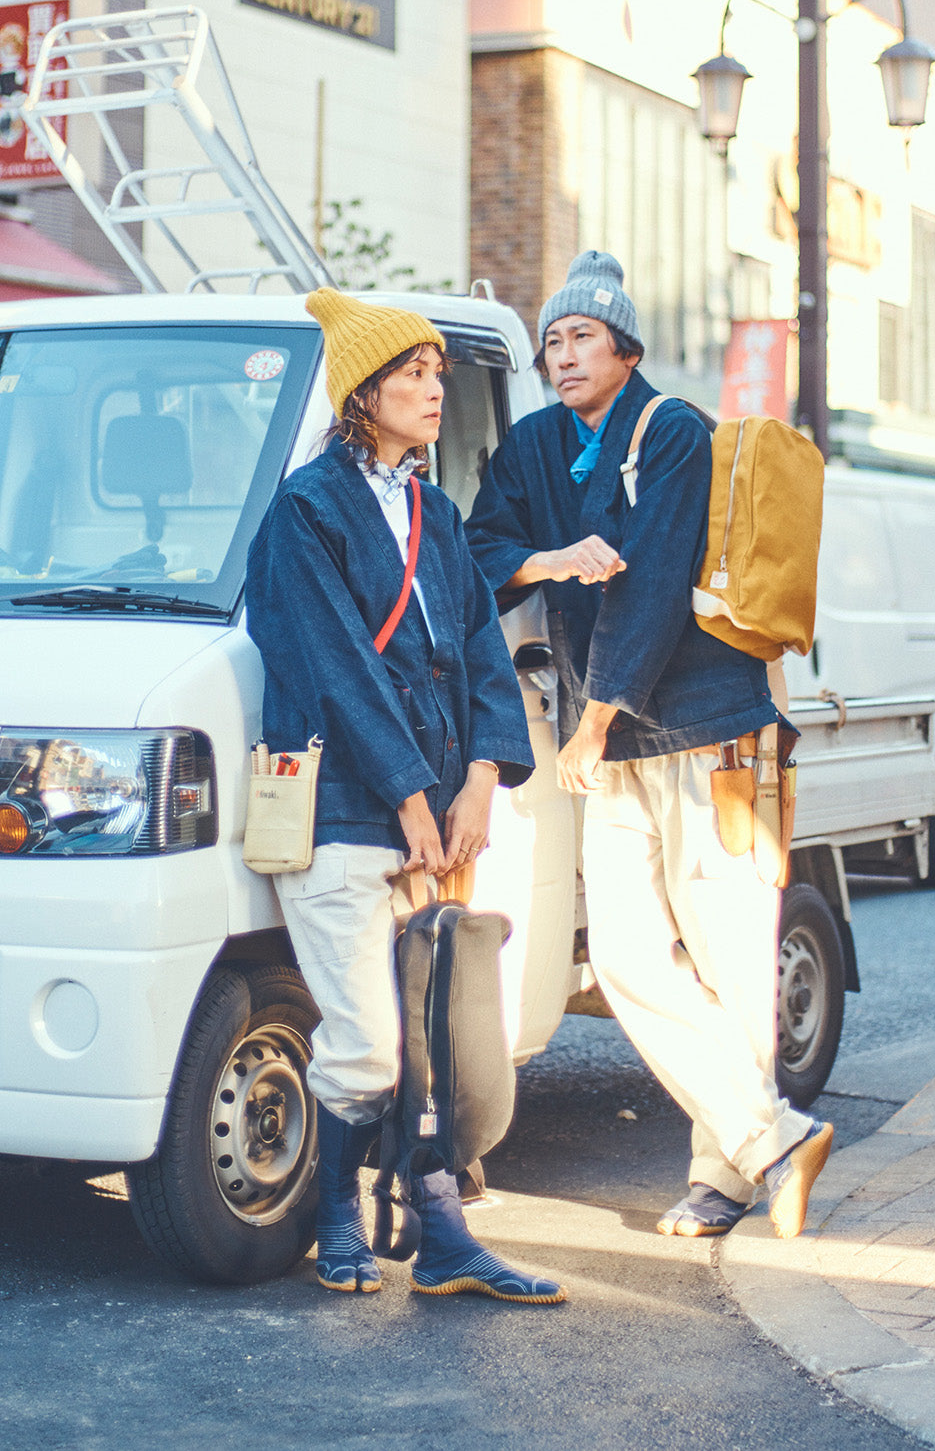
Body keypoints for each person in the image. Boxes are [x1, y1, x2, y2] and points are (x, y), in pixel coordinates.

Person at [466, 251, 833, 1243]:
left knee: (728, 956)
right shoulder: (538, 446)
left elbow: (659, 583)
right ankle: (772, 1138)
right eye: (552, 340)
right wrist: (545, 556)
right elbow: (477, 549)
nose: (564, 353)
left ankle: (726, 1174)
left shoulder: (673, 432)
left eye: (584, 335)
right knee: (626, 955)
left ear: (626, 348)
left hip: (712, 730)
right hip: (615, 743)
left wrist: (589, 724)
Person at [245, 288, 565, 1304]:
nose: (436, 389)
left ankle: (444, 1239)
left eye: (438, 374)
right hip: (344, 814)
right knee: (369, 1049)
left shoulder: (438, 510)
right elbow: (336, 667)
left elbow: (479, 653)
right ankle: (336, 1223)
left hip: (436, 819)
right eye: (415, 375)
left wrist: (479, 782)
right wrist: (415, 797)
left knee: (428, 1044)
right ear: (362, 395)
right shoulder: (306, 511)